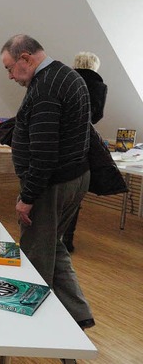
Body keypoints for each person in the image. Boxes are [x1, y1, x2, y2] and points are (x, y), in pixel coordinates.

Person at [0, 34, 94, 330]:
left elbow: (43, 153)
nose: (10, 76)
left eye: (10, 68)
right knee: (52, 246)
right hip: (74, 177)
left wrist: (27, 197)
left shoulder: (45, 88)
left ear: (25, 58)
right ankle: (79, 314)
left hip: (51, 186)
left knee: (35, 255)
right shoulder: (66, 75)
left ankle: (32, 328)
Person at [62, 52, 109, 252]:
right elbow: (97, 117)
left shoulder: (65, 80)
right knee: (75, 196)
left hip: (59, 139)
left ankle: (47, 235)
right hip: (82, 143)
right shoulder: (99, 87)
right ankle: (67, 241)